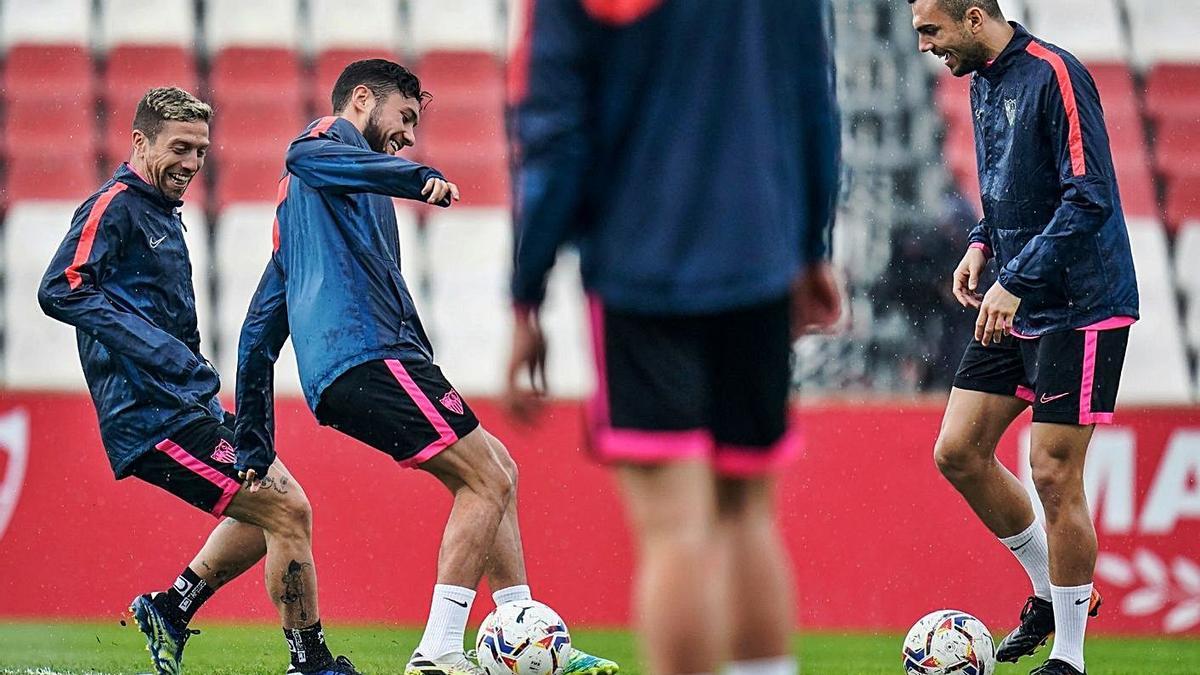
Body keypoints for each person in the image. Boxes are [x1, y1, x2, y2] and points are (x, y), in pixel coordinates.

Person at [232, 59, 618, 675]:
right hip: (369, 353)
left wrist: (254, 440)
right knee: (484, 480)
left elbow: (259, 329)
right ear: (362, 100)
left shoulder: (308, 211)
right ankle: (437, 652)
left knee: (499, 470)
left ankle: (527, 632)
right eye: (405, 117)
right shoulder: (326, 144)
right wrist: (416, 178)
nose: (410, 135)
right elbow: (303, 153)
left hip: (355, 366)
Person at [505, 2, 842, 674]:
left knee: (675, 530)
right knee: (747, 511)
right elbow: (813, 96)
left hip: (642, 266)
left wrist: (527, 289)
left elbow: (555, 133)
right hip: (759, 255)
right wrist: (808, 248)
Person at [37, 87, 356, 675]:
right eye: (179, 147)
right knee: (284, 511)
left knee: (287, 510)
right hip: (149, 414)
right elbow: (62, 286)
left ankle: (171, 608)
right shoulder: (113, 205)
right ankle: (308, 663)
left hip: (186, 404)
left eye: (201, 151)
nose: (192, 163)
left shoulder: (158, 211)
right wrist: (160, 352)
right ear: (140, 142)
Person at [908, 1, 1140, 673]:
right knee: (958, 450)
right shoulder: (981, 80)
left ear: (975, 17)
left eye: (932, 31)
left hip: (1081, 302)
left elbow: (1089, 194)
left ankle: (1069, 656)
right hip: (1020, 291)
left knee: (1053, 471)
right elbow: (1008, 189)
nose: (925, 46)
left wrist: (1018, 278)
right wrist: (983, 241)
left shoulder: (1055, 74)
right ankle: (1048, 588)